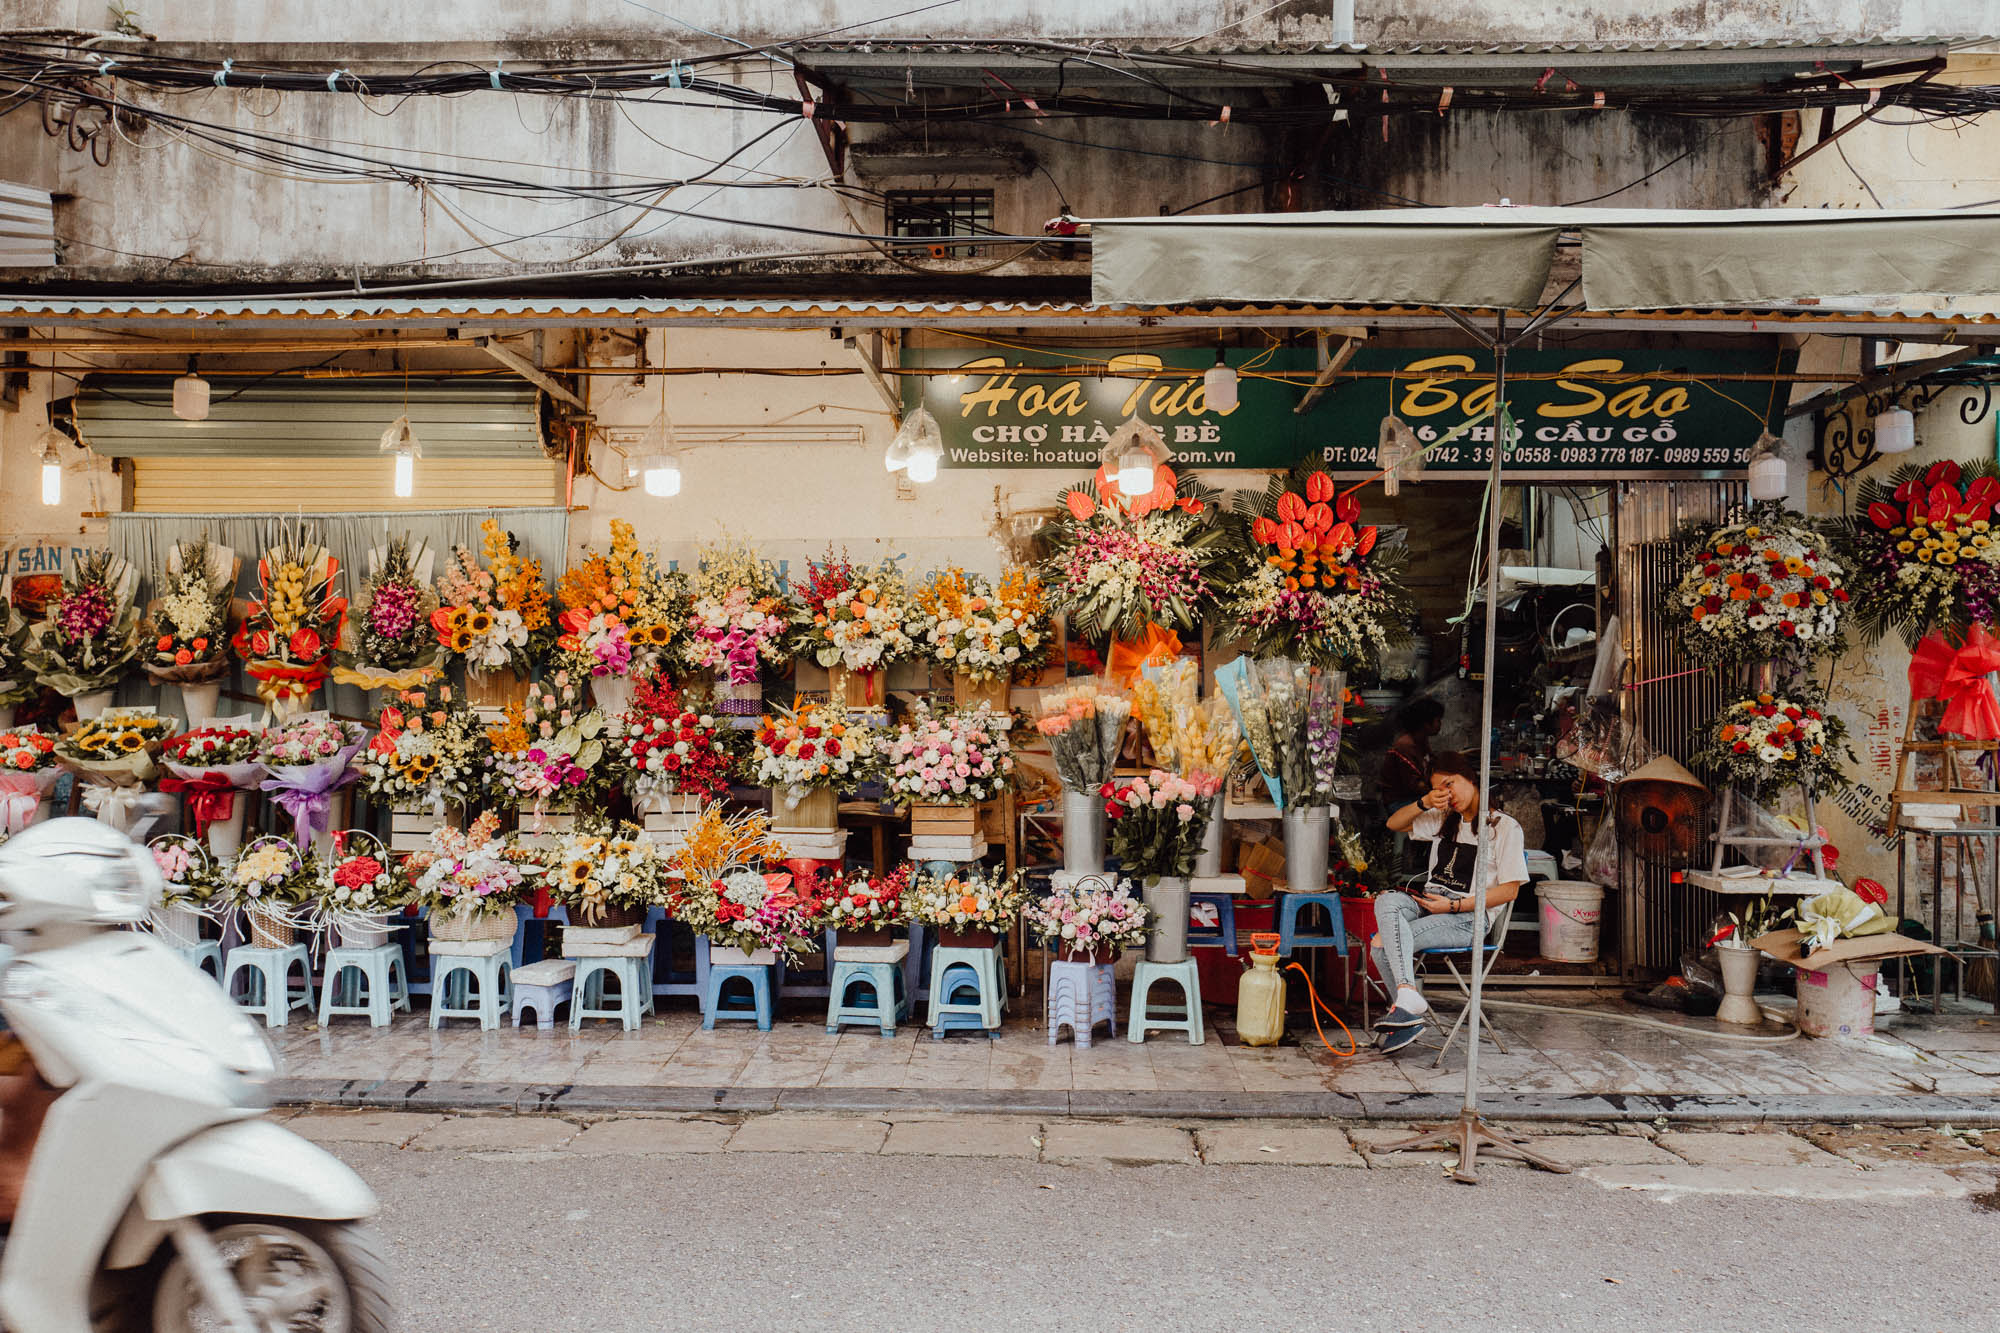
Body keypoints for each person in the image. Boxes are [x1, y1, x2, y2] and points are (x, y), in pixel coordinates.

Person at [1372, 751, 1529, 1055]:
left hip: (1469, 916)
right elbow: (1394, 823)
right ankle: (1407, 998)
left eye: (1450, 784)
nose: (1448, 794)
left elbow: (1510, 891)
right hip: (1431, 902)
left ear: (1470, 777)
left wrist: (1455, 907)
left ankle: (1406, 1013)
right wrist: (1425, 803)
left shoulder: (1504, 827)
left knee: (1381, 942)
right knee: (1387, 900)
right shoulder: (1444, 819)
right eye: (1440, 789)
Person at [1379, 699, 1445, 811]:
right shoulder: (1405, 746)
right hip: (1400, 802)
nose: (1440, 724)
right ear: (1425, 724)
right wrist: (1441, 790)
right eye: (1438, 720)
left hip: (1415, 797)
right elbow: (1416, 785)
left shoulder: (1422, 740)